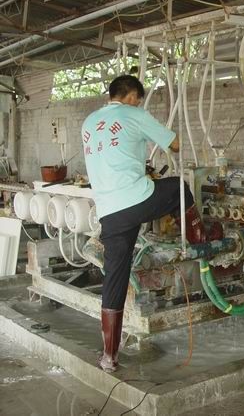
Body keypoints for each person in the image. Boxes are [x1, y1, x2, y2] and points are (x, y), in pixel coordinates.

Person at [82, 75, 220, 372]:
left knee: (115, 278)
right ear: (132, 96)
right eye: (138, 99)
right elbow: (175, 144)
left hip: (109, 211)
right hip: (136, 199)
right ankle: (201, 243)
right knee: (179, 188)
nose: (137, 104)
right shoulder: (133, 114)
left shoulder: (89, 122)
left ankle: (109, 357)